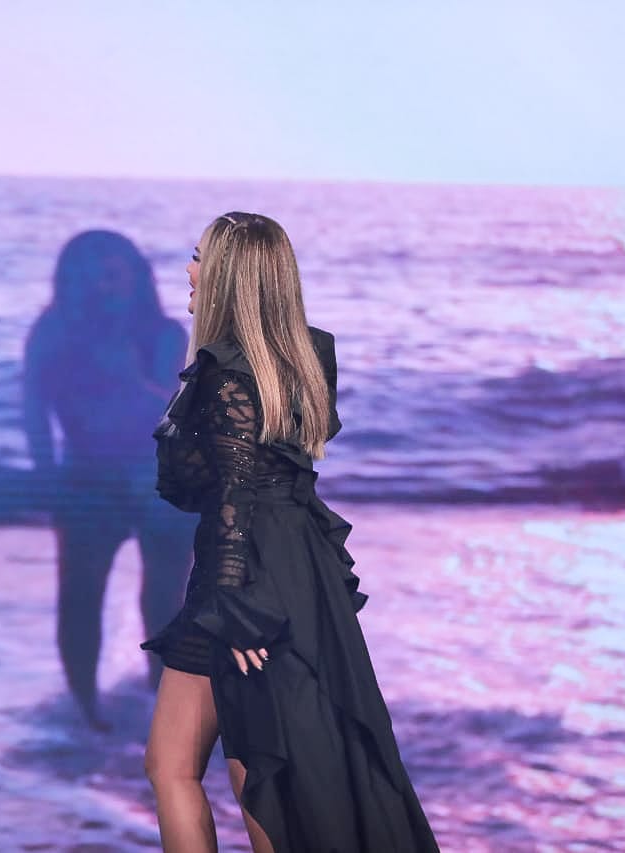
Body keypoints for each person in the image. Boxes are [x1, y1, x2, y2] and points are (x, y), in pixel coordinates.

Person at [141, 213, 440, 852]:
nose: (189, 271)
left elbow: (234, 496)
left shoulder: (226, 373)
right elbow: (267, 481)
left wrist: (234, 606)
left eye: (200, 258)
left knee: (238, 768)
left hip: (243, 578)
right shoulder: (302, 358)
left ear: (228, 275)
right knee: (227, 764)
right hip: (293, 568)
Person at [23, 230, 195, 730]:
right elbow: (34, 409)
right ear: (68, 281)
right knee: (80, 597)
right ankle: (85, 712)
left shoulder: (165, 333)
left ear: (136, 276)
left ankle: (162, 702)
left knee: (164, 599)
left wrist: (129, 378)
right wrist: (45, 477)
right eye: (86, 276)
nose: (101, 286)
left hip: (162, 478)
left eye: (112, 274)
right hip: (85, 480)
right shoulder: (53, 332)